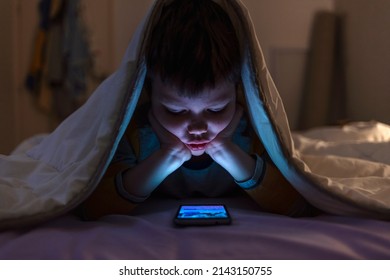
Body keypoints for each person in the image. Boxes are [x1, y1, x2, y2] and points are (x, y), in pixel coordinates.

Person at [79, 0, 316, 220]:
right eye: (175, 111)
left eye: (216, 110)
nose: (198, 128)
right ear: (149, 94)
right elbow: (91, 205)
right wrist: (169, 155)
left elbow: (295, 204)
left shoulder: (250, 134)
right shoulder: (134, 135)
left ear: (238, 93)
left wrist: (225, 149)